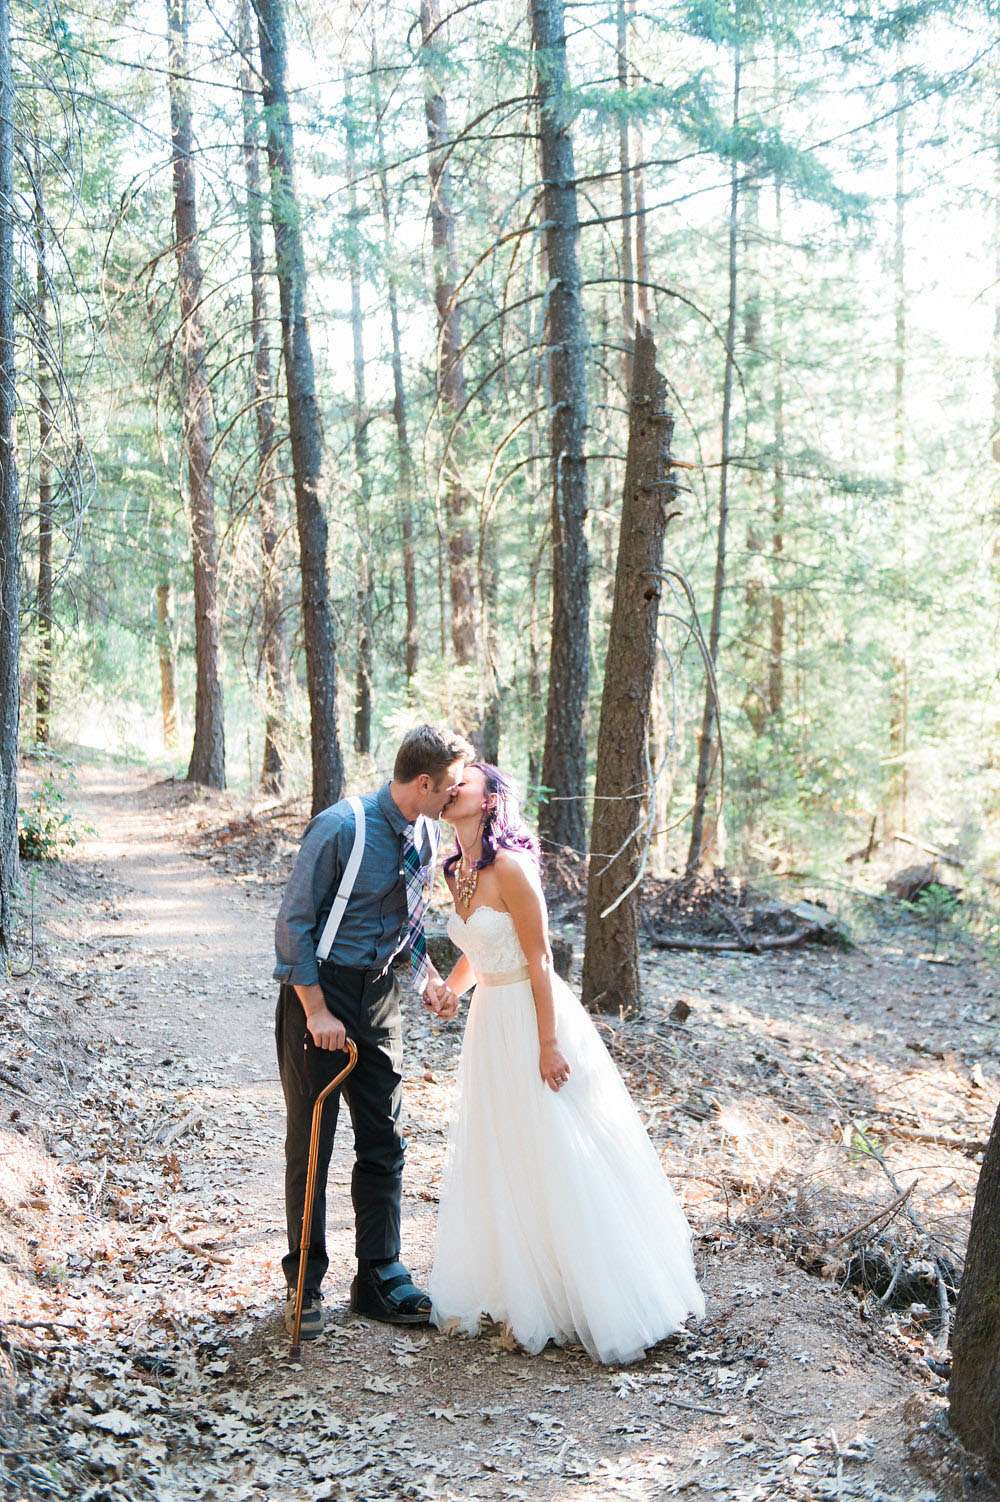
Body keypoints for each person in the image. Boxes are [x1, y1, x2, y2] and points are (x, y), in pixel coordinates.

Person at [427, 762, 705, 1364]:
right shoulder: (455, 870)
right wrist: (452, 989)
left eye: (463, 782)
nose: (450, 789)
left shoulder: (511, 867)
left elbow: (539, 960)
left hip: (534, 1017)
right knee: (505, 1147)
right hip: (488, 1022)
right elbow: (481, 950)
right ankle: (522, 1291)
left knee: (554, 1145)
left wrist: (547, 1043)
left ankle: (594, 1293)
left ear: (490, 799)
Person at [273, 724, 472, 1339]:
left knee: (384, 1135)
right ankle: (305, 1282)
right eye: (451, 786)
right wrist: (316, 1011)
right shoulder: (341, 827)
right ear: (423, 782)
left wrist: (428, 979)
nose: (457, 794)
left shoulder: (426, 833)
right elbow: (292, 925)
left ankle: (379, 1274)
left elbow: (406, 927)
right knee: (313, 1138)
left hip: (381, 995)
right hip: (321, 992)